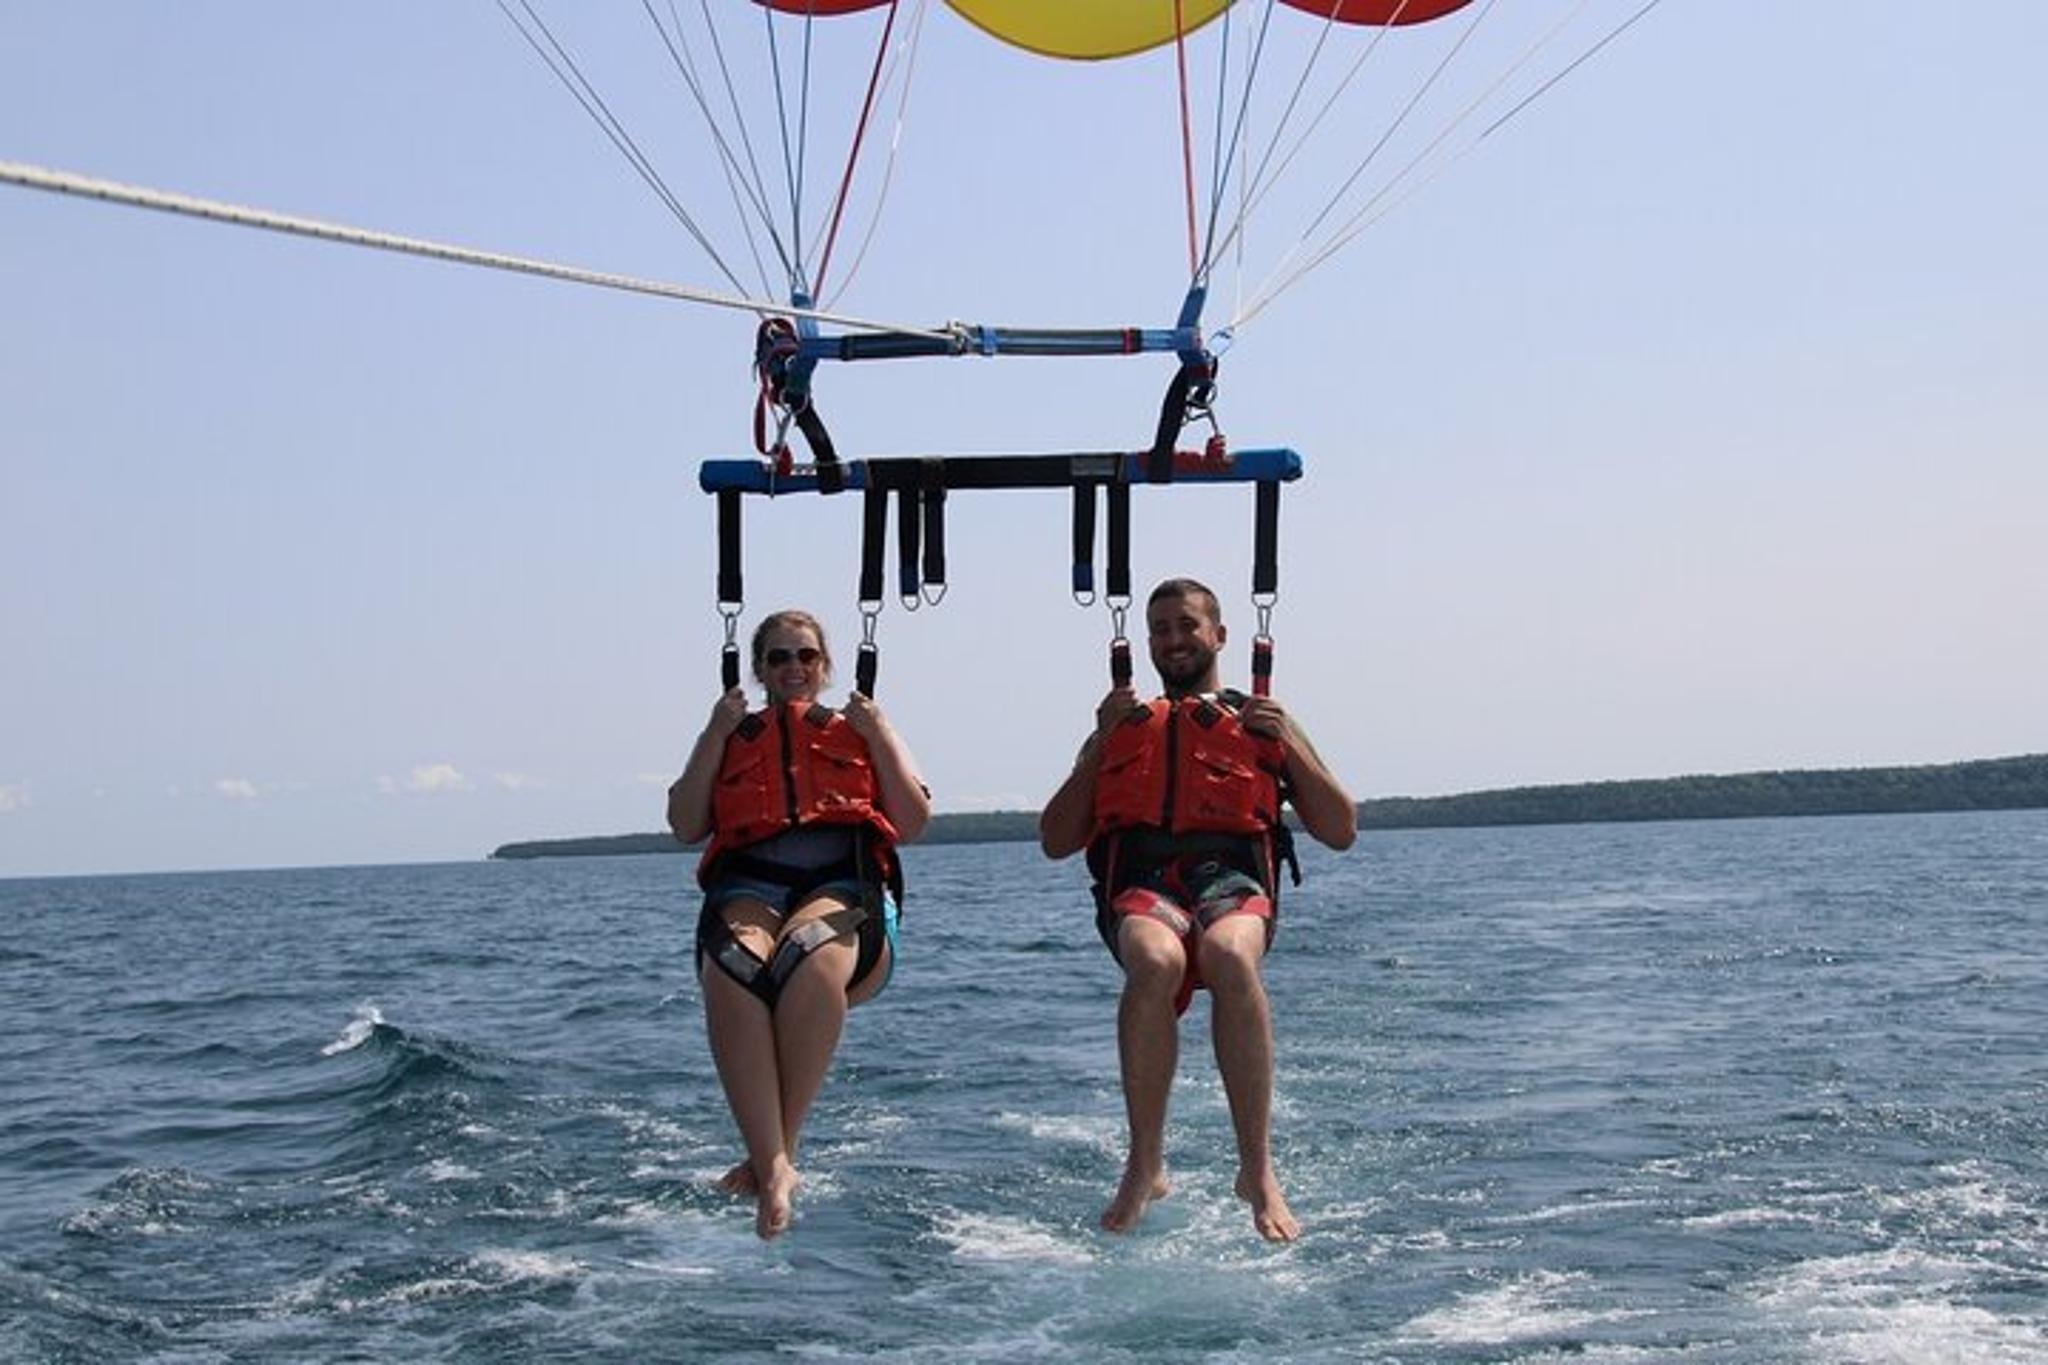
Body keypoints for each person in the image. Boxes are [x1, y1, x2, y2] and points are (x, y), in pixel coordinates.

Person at [1039, 578, 1356, 1242]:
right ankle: (1145, 1162)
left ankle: (1258, 1170)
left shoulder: (1260, 717)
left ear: (1219, 634)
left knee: (1229, 953)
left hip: (1231, 877)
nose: (1174, 639)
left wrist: (1288, 745)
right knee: (1155, 960)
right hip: (1144, 881)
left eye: (1186, 625)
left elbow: (1339, 827)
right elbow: (1056, 839)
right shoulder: (1123, 723)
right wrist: (1099, 744)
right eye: (1160, 628)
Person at [668, 609, 931, 1238]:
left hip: (841, 881)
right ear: (759, 669)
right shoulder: (732, 734)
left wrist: (883, 732)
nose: (793, 668)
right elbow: (684, 824)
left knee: (812, 955)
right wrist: (714, 730)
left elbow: (914, 821)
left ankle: (776, 1154)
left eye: (806, 656)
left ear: (825, 666)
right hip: (751, 884)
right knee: (732, 965)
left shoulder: (857, 730)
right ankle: (774, 1164)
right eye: (780, 657)